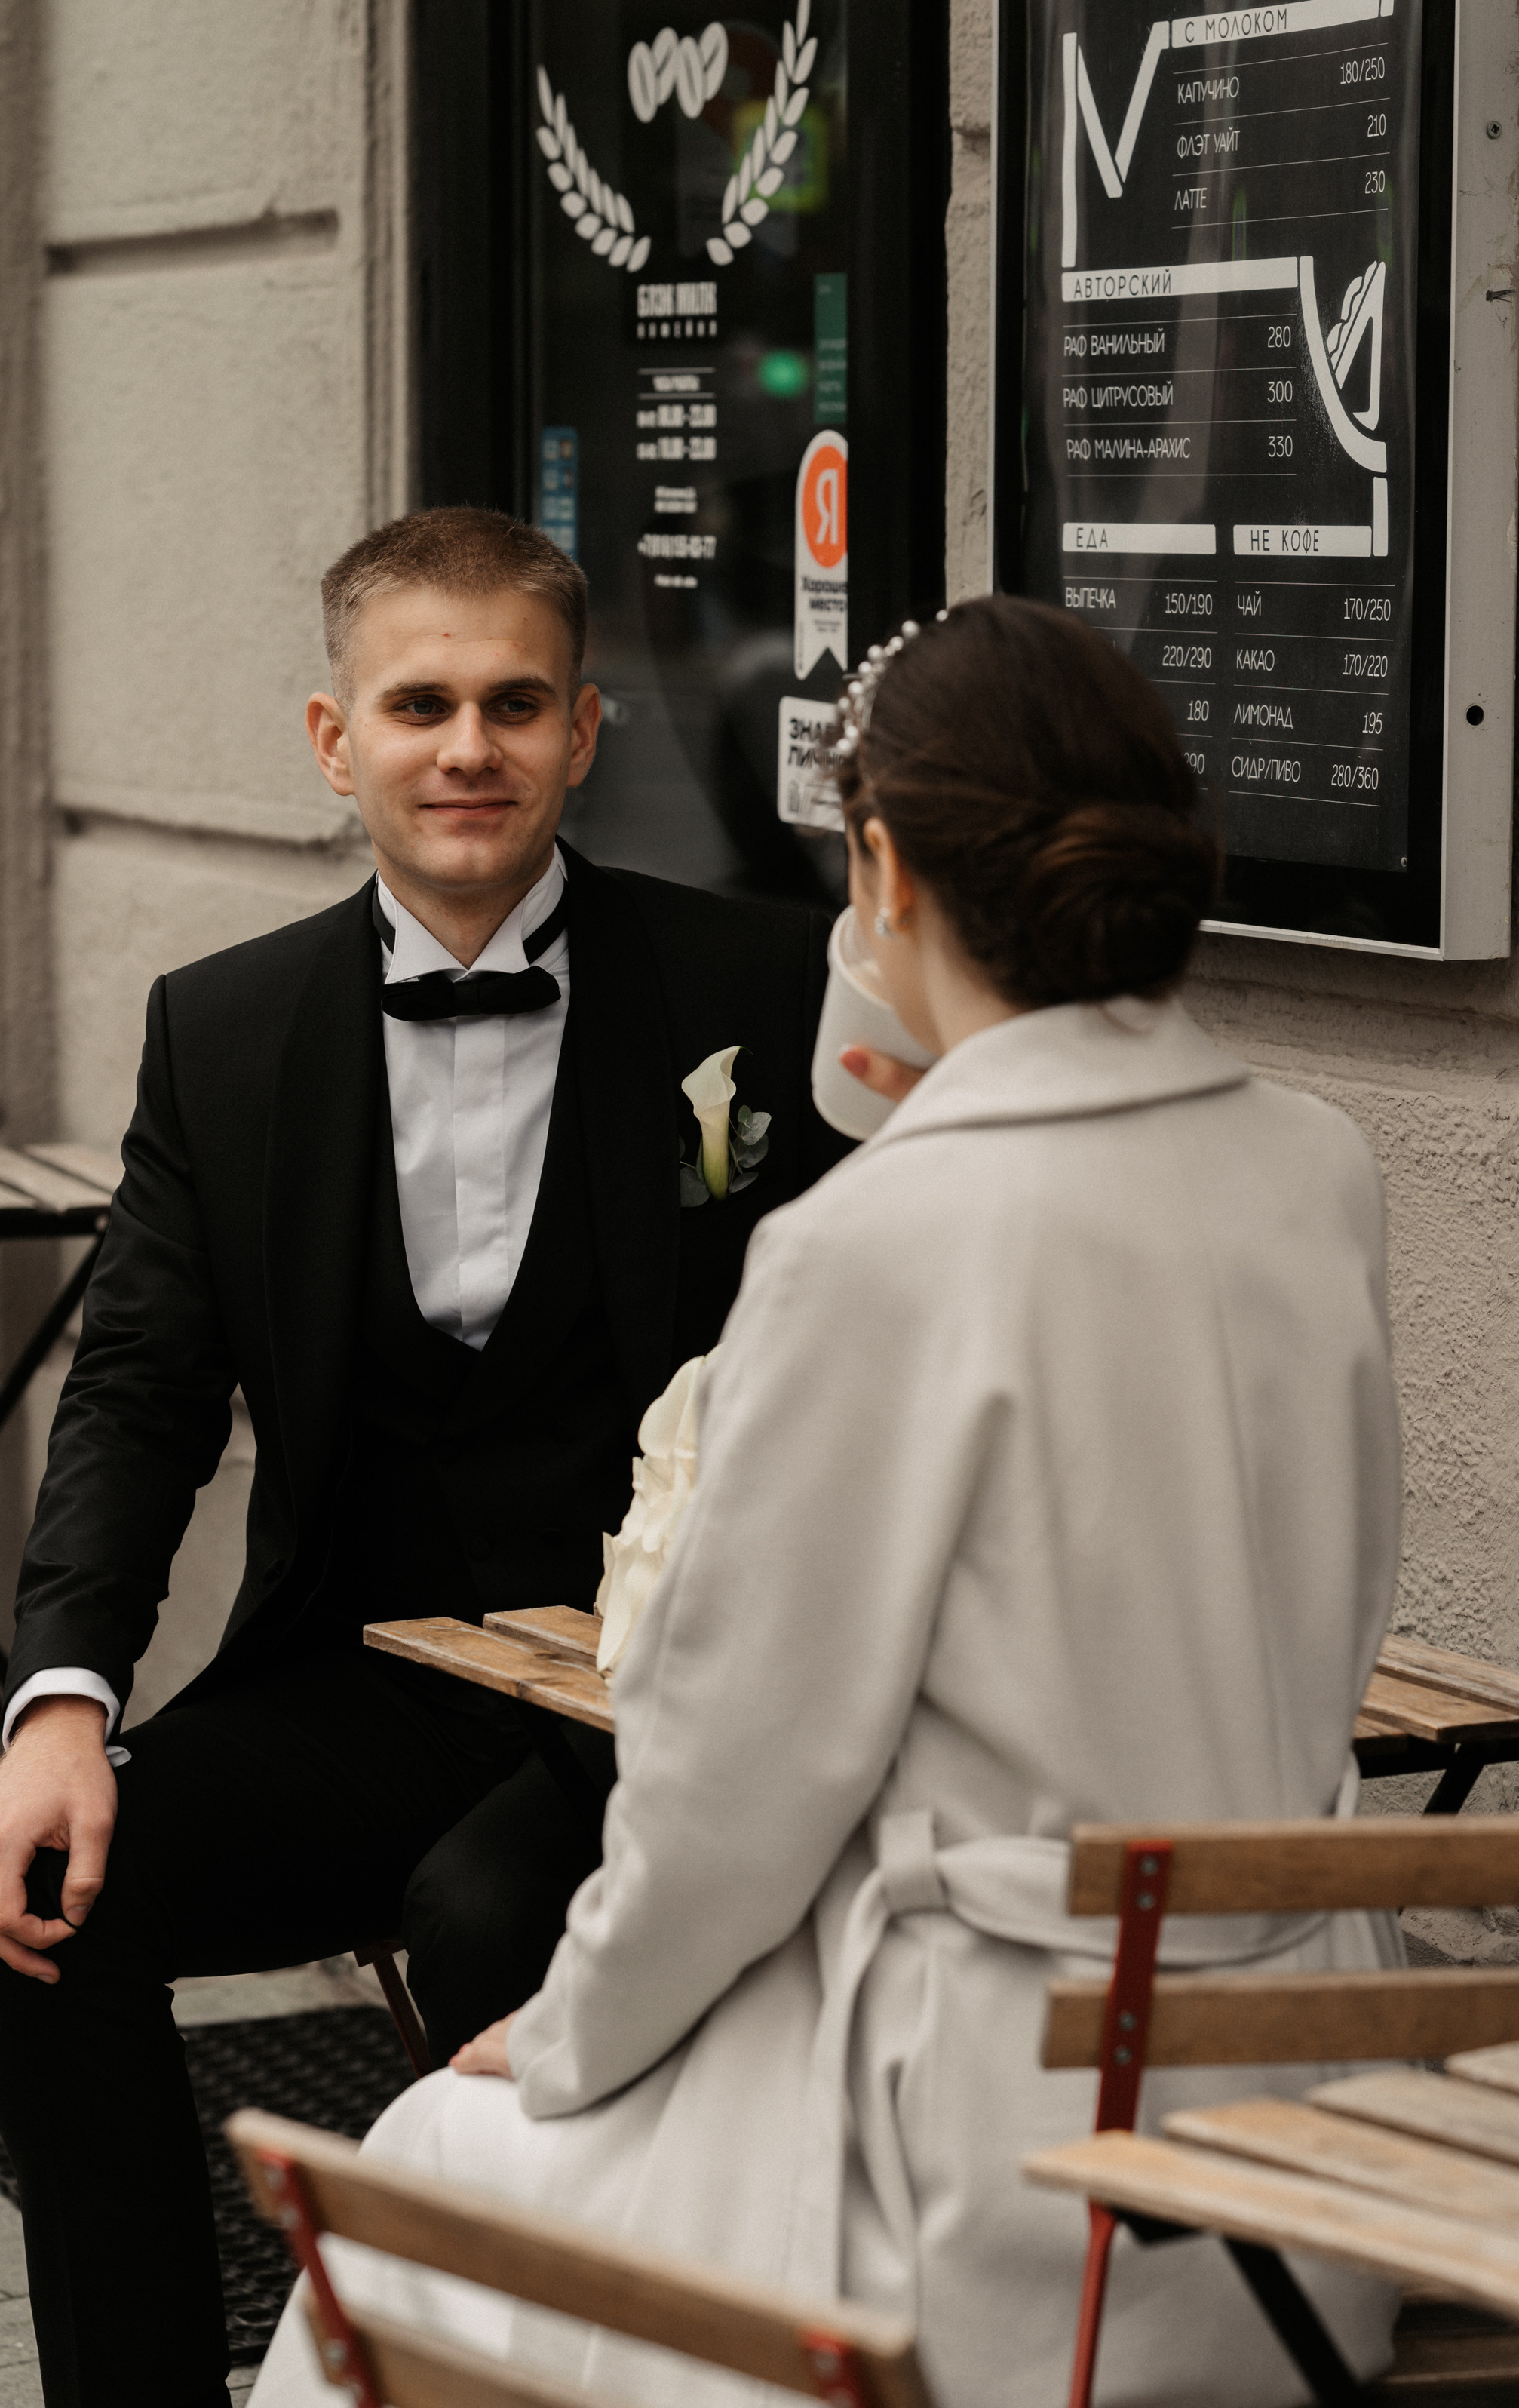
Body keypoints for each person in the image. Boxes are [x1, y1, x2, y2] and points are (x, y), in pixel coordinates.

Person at [253, 596, 1406, 2408]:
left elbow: (734, 1785)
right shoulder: (1312, 1169)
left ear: (881, 866)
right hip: (1290, 2173)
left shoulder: (876, 1240)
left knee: (410, 2175)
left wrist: (563, 2037)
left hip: (973, 2192)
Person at [0, 505, 848, 2408]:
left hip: (645, 1703)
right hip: (352, 1676)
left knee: (486, 1916)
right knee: (45, 1910)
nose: (469, 748)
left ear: (585, 732)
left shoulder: (760, 991)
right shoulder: (228, 1030)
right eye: (420, 703)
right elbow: (139, 1393)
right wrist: (58, 1709)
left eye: (516, 702)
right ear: (336, 739)